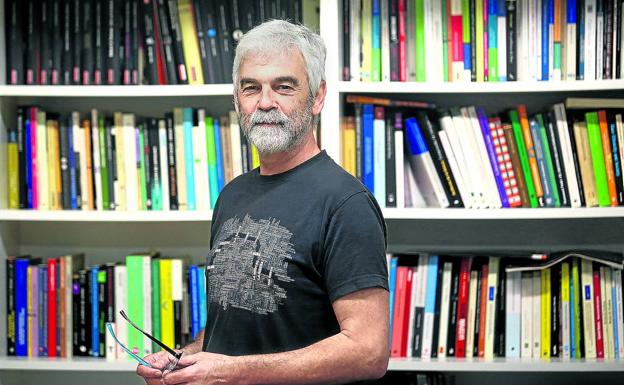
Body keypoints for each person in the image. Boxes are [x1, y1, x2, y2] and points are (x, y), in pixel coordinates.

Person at [137, 19, 389, 385]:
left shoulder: (346, 203)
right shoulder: (232, 194)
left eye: (284, 87)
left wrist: (232, 373)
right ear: (236, 99)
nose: (265, 102)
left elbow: (368, 352)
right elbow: (237, 320)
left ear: (317, 97)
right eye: (251, 87)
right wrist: (184, 359)